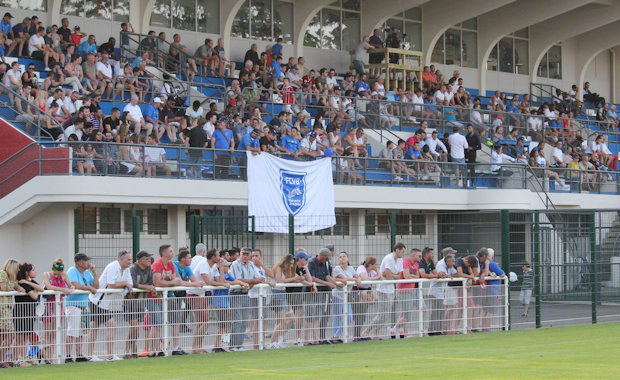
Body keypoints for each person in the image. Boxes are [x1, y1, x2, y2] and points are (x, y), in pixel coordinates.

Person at [87, 250, 132, 361]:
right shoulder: (113, 267)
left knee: (94, 327)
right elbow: (111, 286)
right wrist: (124, 284)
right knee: (112, 325)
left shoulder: (126, 270)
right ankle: (109, 355)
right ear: (121, 259)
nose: (130, 262)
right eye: (128, 259)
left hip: (104, 303)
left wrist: (124, 285)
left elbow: (130, 285)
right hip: (97, 301)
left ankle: (90, 355)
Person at [364, 243, 405, 339]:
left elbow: (398, 276)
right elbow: (389, 276)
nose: (403, 254)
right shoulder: (388, 258)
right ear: (397, 250)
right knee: (382, 314)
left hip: (391, 290)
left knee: (385, 315)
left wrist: (391, 275)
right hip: (383, 290)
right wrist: (390, 275)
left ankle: (375, 333)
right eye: (402, 251)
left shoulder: (400, 260)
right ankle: (367, 331)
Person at [229, 247, 265, 351]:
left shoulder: (251, 264)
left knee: (244, 321)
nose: (244, 256)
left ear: (249, 256)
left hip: (246, 294)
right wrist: (254, 280)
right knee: (237, 320)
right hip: (236, 294)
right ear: (240, 254)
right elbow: (239, 279)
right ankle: (233, 346)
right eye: (243, 254)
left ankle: (239, 345)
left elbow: (259, 279)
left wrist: (253, 281)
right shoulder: (235, 264)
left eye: (247, 254)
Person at [65, 253, 98, 363]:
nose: (88, 263)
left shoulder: (87, 273)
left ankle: (79, 354)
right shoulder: (72, 271)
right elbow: (75, 285)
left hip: (84, 306)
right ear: (80, 263)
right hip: (73, 305)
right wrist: (88, 288)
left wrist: (94, 272)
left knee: (81, 332)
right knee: (72, 331)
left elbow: (96, 286)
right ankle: (68, 355)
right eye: (86, 261)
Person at [170, 249, 204, 355]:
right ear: (183, 259)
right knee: (156, 324)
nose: (191, 259)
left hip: (177, 295)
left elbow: (194, 281)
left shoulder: (188, 267)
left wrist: (194, 284)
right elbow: (178, 282)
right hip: (167, 295)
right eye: (189, 258)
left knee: (176, 321)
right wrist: (194, 284)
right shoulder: (174, 265)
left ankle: (176, 347)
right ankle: (156, 350)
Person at [41, 258, 74, 364]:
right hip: (49, 306)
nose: (56, 276)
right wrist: (63, 290)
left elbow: (70, 286)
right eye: (55, 274)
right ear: (52, 269)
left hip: (59, 307)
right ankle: (46, 357)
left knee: (55, 333)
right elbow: (49, 286)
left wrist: (70, 289)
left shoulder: (64, 275)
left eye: (58, 274)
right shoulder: (46, 274)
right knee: (47, 333)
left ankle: (51, 358)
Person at [212, 259, 248, 352]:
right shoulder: (217, 275)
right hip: (219, 302)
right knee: (221, 325)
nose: (228, 268)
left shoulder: (227, 275)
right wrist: (221, 269)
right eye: (226, 266)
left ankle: (218, 345)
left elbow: (234, 280)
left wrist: (241, 283)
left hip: (225, 302)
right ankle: (216, 346)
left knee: (224, 324)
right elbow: (223, 281)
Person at [307, 248, 342, 345]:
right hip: (316, 293)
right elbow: (312, 278)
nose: (327, 260)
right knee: (315, 315)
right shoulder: (312, 263)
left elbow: (326, 275)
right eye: (327, 258)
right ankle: (314, 338)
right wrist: (327, 283)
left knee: (325, 314)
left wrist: (335, 282)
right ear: (322, 256)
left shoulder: (325, 264)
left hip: (325, 292)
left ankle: (321, 337)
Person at [124, 250, 154, 358]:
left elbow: (151, 282)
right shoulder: (133, 269)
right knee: (134, 326)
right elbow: (133, 284)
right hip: (131, 301)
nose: (149, 261)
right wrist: (146, 287)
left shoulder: (148, 269)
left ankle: (133, 351)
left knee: (135, 328)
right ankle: (127, 351)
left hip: (141, 301)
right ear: (140, 260)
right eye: (147, 259)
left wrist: (146, 286)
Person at [13, 263, 43, 366]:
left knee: (25, 337)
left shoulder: (29, 282)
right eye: (33, 270)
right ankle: (18, 359)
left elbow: (41, 288)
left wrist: (29, 283)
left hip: (30, 313)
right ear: (27, 272)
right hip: (21, 313)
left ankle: (24, 358)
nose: (35, 272)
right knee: (20, 338)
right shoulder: (22, 283)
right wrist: (30, 285)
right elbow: (34, 296)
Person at [331, 252, 361, 343]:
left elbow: (357, 276)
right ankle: (335, 337)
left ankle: (336, 334)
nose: (342, 258)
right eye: (340, 257)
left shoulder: (351, 268)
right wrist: (355, 280)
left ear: (348, 259)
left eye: (344, 256)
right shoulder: (337, 269)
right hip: (337, 295)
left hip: (346, 295)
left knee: (349, 317)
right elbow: (344, 279)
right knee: (338, 316)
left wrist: (358, 279)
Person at [0, 258, 24, 367]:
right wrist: (14, 289)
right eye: (17, 267)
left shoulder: (11, 277)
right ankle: (2, 360)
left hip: (8, 309)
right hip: (2, 309)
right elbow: (4, 288)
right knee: (9, 334)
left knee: (6, 335)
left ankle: (3, 359)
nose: (18, 270)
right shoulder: (3, 274)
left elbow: (15, 286)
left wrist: (19, 287)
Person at [394, 248, 421, 338]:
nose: (420, 258)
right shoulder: (405, 261)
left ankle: (404, 332)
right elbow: (406, 276)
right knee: (407, 315)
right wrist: (412, 277)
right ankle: (395, 328)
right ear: (413, 255)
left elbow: (418, 276)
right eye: (419, 256)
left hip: (411, 290)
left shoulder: (416, 264)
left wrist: (411, 276)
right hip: (403, 290)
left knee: (404, 313)